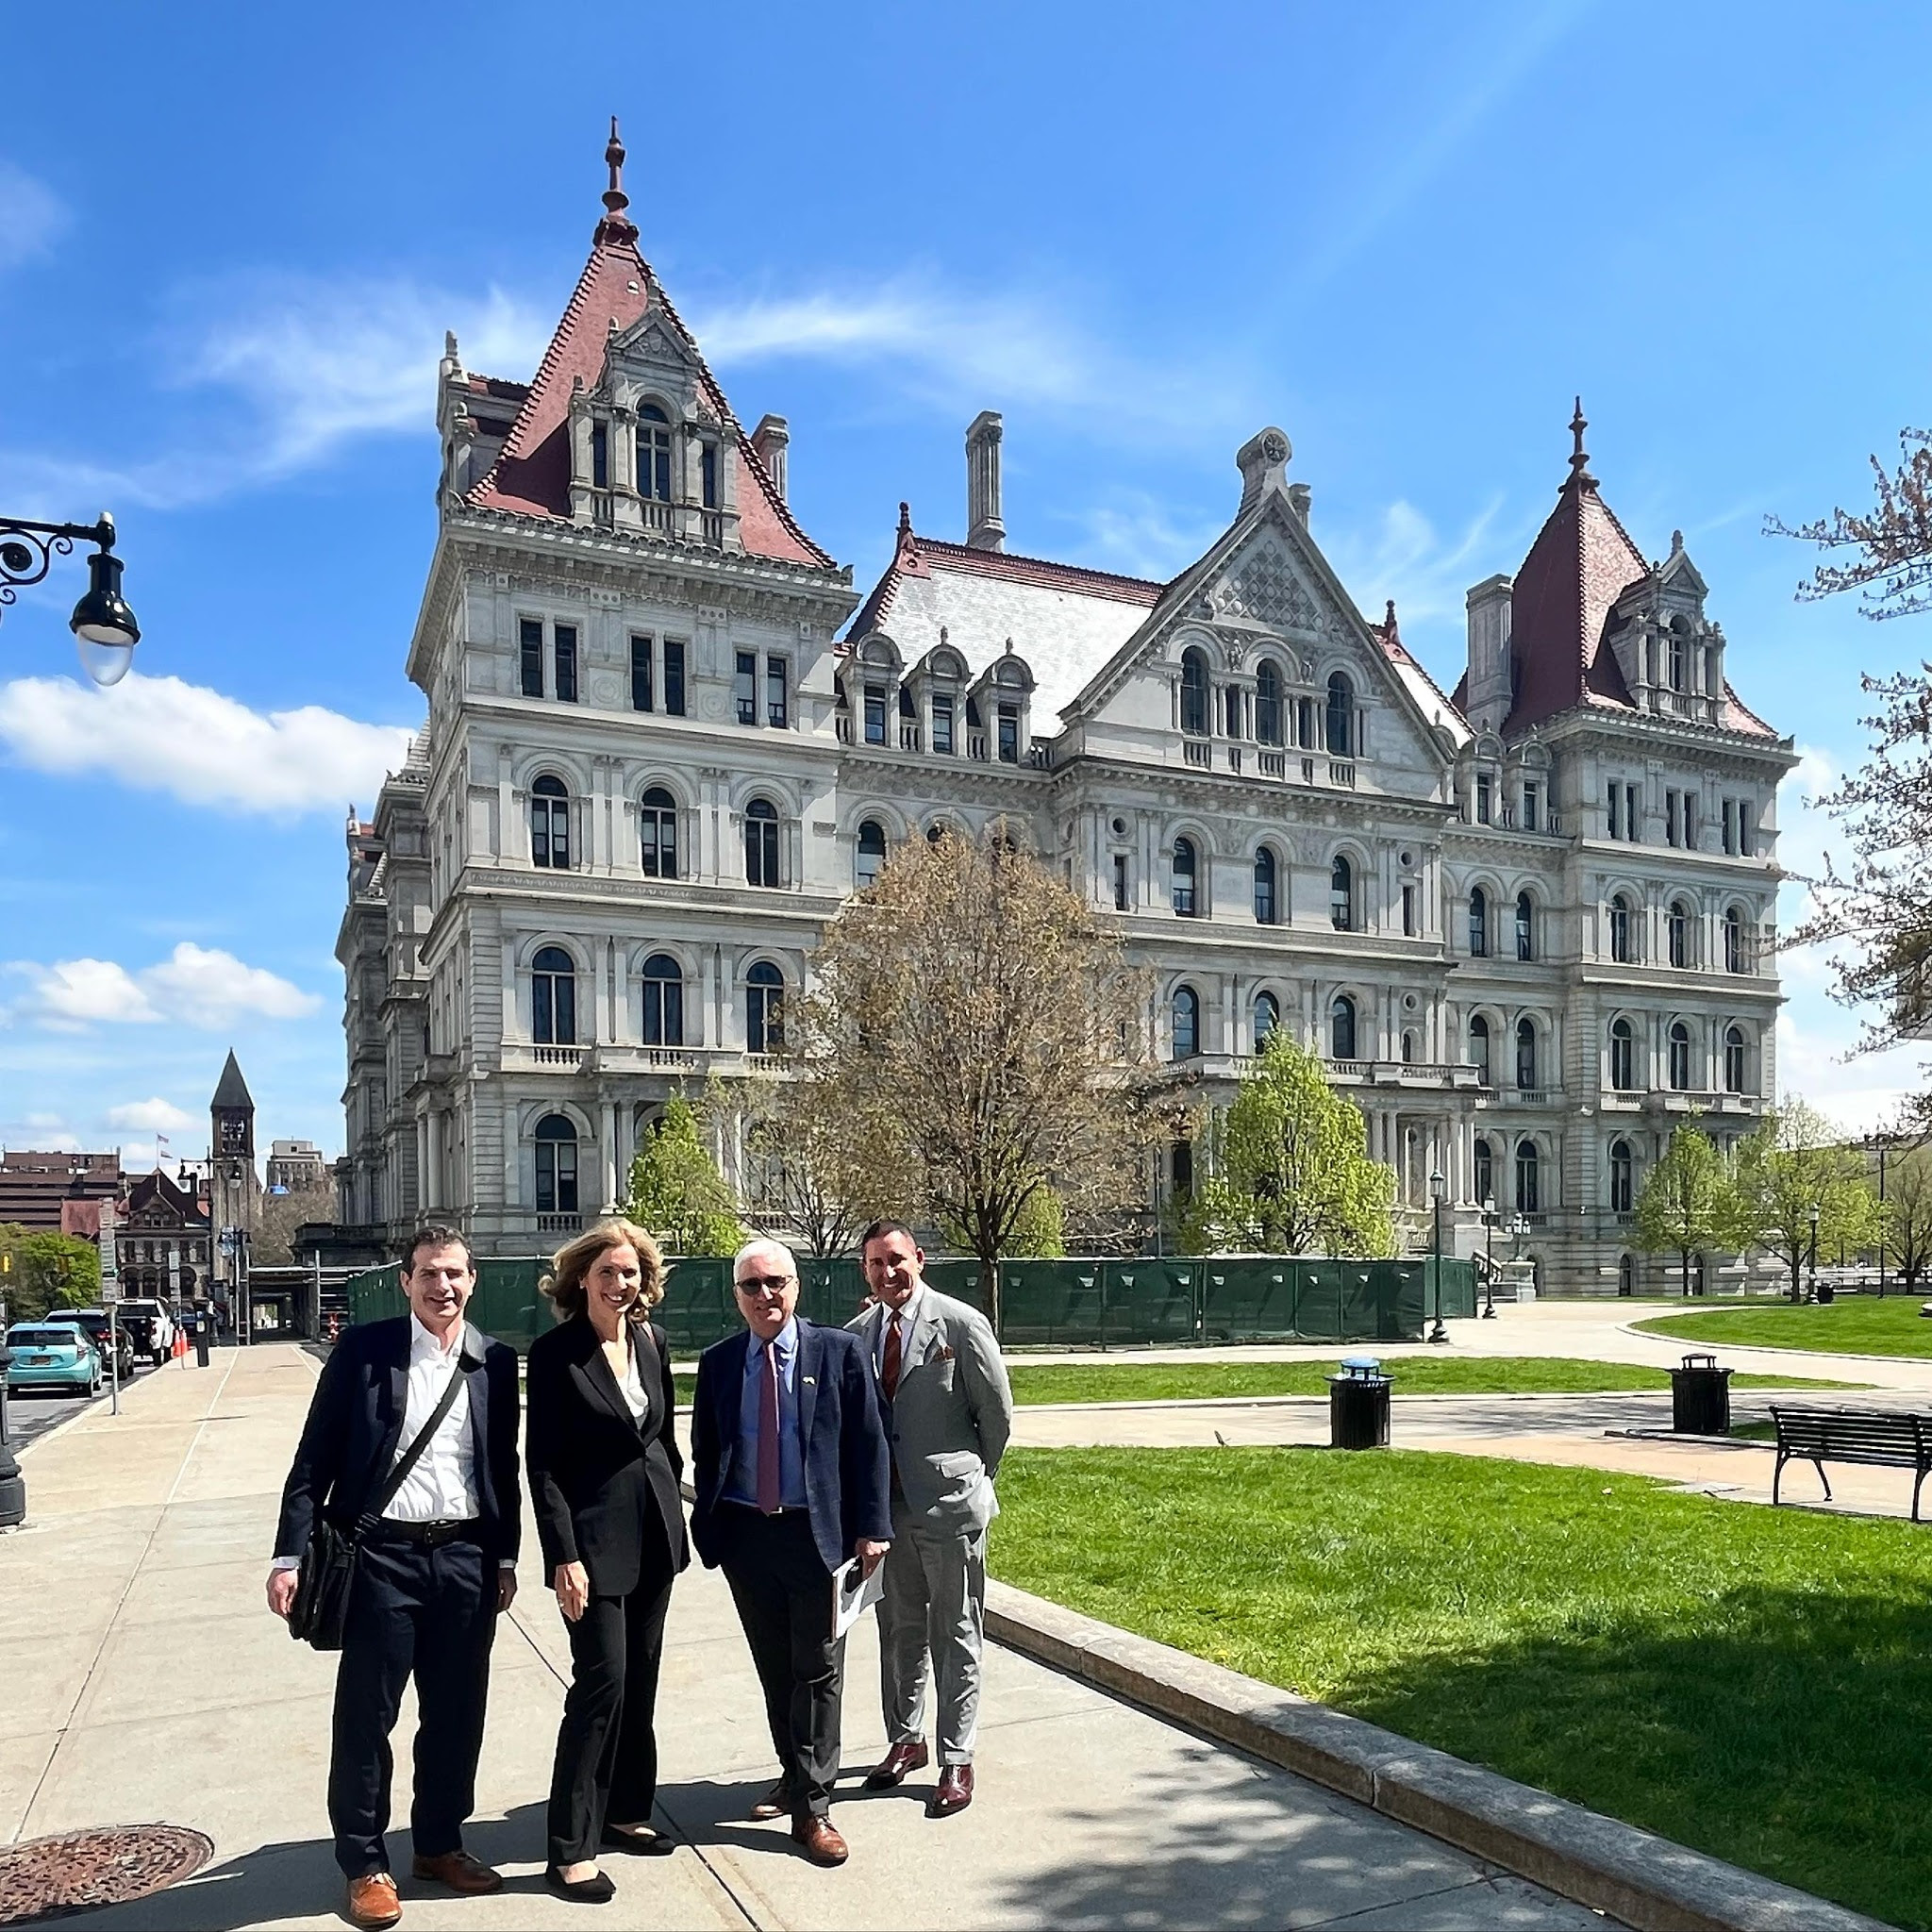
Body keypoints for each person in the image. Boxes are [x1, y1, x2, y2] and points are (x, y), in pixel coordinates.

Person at [267, 1227, 522, 1932]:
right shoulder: (365, 1352)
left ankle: (439, 1845)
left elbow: (502, 1468)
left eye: (456, 1275)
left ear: (473, 1281)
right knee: (366, 1718)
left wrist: (503, 1558)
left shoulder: (493, 1362)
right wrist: (288, 1556)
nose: (443, 1287)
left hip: (465, 1560)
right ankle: (366, 1864)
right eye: (429, 1274)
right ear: (407, 1281)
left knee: (455, 1716)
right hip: (381, 1559)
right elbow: (313, 1459)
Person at [690, 1239, 891, 1867]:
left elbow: (869, 1443)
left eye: (775, 1282)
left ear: (796, 1286)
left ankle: (814, 1808)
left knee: (819, 1669)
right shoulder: (721, 1362)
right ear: (737, 1296)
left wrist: (873, 1527)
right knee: (776, 1667)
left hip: (818, 1538)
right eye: (751, 1286)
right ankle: (792, 1771)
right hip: (749, 1537)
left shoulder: (839, 1352)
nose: (765, 1295)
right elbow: (706, 1447)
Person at [526, 1219, 689, 1905]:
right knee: (602, 1685)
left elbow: (665, 1437)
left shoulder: (650, 1341)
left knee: (642, 1682)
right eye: (607, 1273)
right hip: (591, 1548)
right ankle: (569, 1849)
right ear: (581, 1279)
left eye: (630, 1274)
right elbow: (544, 1467)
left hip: (655, 1537)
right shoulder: (556, 1352)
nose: (620, 1285)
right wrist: (563, 1555)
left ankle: (627, 1812)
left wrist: (681, 1512)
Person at [848, 1221, 1013, 1817]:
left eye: (896, 1260)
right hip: (887, 1515)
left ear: (918, 1258)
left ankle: (957, 1757)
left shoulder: (962, 1324)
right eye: (874, 1263)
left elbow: (995, 1416)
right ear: (863, 1269)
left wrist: (970, 1480)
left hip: (949, 1511)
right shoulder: (857, 1336)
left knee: (957, 1630)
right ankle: (906, 1739)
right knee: (898, 1631)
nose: (886, 1272)